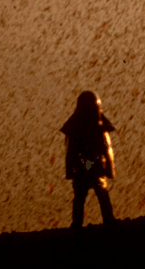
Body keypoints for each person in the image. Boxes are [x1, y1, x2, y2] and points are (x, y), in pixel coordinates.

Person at [61, 91, 116, 229]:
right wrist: (109, 168)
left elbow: (106, 147)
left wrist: (70, 169)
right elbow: (106, 148)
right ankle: (103, 221)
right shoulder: (92, 125)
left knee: (91, 195)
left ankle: (83, 223)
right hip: (90, 165)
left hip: (89, 165)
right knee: (88, 196)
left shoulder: (81, 125)